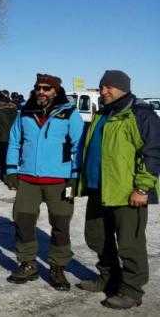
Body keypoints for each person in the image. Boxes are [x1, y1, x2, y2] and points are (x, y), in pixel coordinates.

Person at [76, 70, 160, 309]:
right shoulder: (102, 113)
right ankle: (108, 277)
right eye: (102, 87)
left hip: (127, 192)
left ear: (123, 87)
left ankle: (132, 290)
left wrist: (142, 188)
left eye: (109, 87)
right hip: (97, 188)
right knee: (96, 237)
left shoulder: (140, 114)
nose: (103, 91)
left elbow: (152, 153)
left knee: (129, 243)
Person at [5, 74, 84, 291]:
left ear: (56, 91)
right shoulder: (24, 112)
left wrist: (75, 177)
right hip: (28, 179)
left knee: (61, 224)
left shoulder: (69, 113)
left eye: (47, 88)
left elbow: (78, 145)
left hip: (60, 180)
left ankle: (57, 267)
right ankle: (28, 263)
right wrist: (11, 168)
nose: (42, 91)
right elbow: (14, 141)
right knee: (23, 221)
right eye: (39, 87)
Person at [0, 90, 17, 183]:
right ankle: (12, 176)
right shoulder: (14, 107)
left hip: (1, 137)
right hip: (13, 136)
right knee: (11, 157)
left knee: (2, 158)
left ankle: (5, 176)